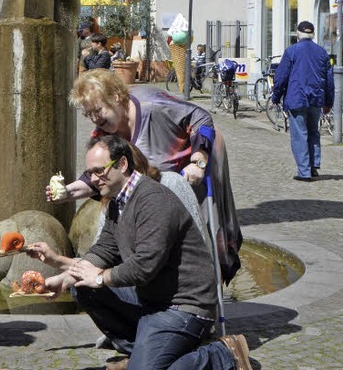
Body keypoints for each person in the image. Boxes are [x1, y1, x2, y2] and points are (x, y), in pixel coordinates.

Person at [29, 134, 251, 370]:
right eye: (90, 173)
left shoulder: (152, 200)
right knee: (83, 288)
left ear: (122, 164)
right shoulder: (118, 202)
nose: (93, 179)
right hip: (153, 299)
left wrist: (100, 277)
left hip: (186, 305)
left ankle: (222, 354)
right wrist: (64, 280)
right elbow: (104, 249)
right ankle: (138, 353)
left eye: (98, 171)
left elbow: (145, 266)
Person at [61, 69, 242, 283]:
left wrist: (198, 162)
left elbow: (201, 118)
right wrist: (74, 189)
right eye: (88, 113)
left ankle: (207, 285)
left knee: (206, 234)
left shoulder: (152, 106)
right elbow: (104, 170)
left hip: (191, 173)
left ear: (116, 97)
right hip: (157, 192)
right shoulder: (104, 132)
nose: (94, 118)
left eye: (98, 110)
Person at [271, 20, 334, 182]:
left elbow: (281, 76)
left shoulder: (291, 51)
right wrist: (328, 102)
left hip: (296, 98)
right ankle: (313, 166)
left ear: (298, 34)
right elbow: (329, 80)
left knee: (299, 135)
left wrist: (276, 96)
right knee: (313, 132)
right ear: (312, 34)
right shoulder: (322, 52)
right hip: (316, 98)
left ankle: (304, 171)